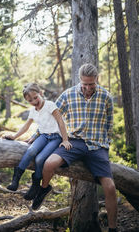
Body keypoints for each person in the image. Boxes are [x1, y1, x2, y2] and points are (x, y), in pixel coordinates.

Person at [32, 64, 118, 232]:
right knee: (49, 164)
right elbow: (50, 118)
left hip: (97, 146)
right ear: (80, 80)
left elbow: (109, 124)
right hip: (73, 142)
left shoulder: (106, 97)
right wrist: (35, 136)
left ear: (97, 79)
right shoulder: (68, 95)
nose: (87, 88)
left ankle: (113, 228)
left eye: (91, 84)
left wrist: (106, 144)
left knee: (110, 187)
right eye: (84, 84)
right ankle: (44, 189)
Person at [5, 82, 72, 201]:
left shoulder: (50, 105)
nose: (34, 101)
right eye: (30, 100)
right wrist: (14, 136)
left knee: (40, 159)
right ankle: (16, 180)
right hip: (43, 136)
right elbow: (26, 126)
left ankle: (35, 186)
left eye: (35, 97)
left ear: (41, 93)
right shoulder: (33, 111)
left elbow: (60, 122)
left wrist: (65, 140)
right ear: (27, 101)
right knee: (31, 150)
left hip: (55, 138)